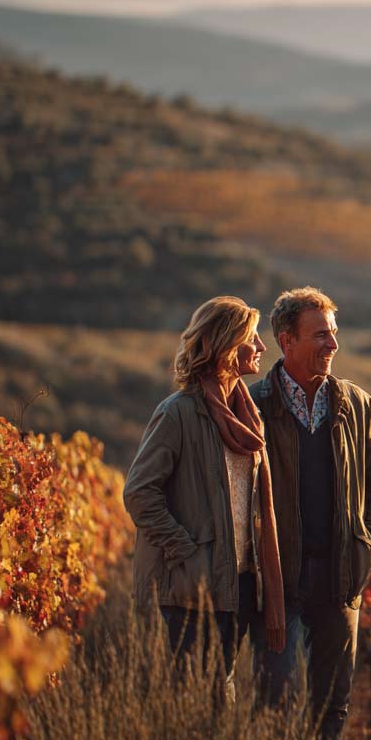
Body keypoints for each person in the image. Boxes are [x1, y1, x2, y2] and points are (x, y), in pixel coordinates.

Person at [250, 286, 371, 740]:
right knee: (275, 696)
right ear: (285, 340)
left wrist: (369, 552)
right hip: (278, 579)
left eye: (334, 334)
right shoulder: (254, 406)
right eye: (320, 336)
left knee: (333, 702)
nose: (333, 345)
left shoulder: (357, 405)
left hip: (339, 577)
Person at [125, 296, 287, 693]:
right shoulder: (178, 413)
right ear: (227, 345)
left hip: (241, 582)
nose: (262, 347)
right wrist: (186, 550)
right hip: (193, 584)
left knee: (221, 685)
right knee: (196, 692)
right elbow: (140, 493)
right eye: (252, 338)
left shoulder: (248, 416)